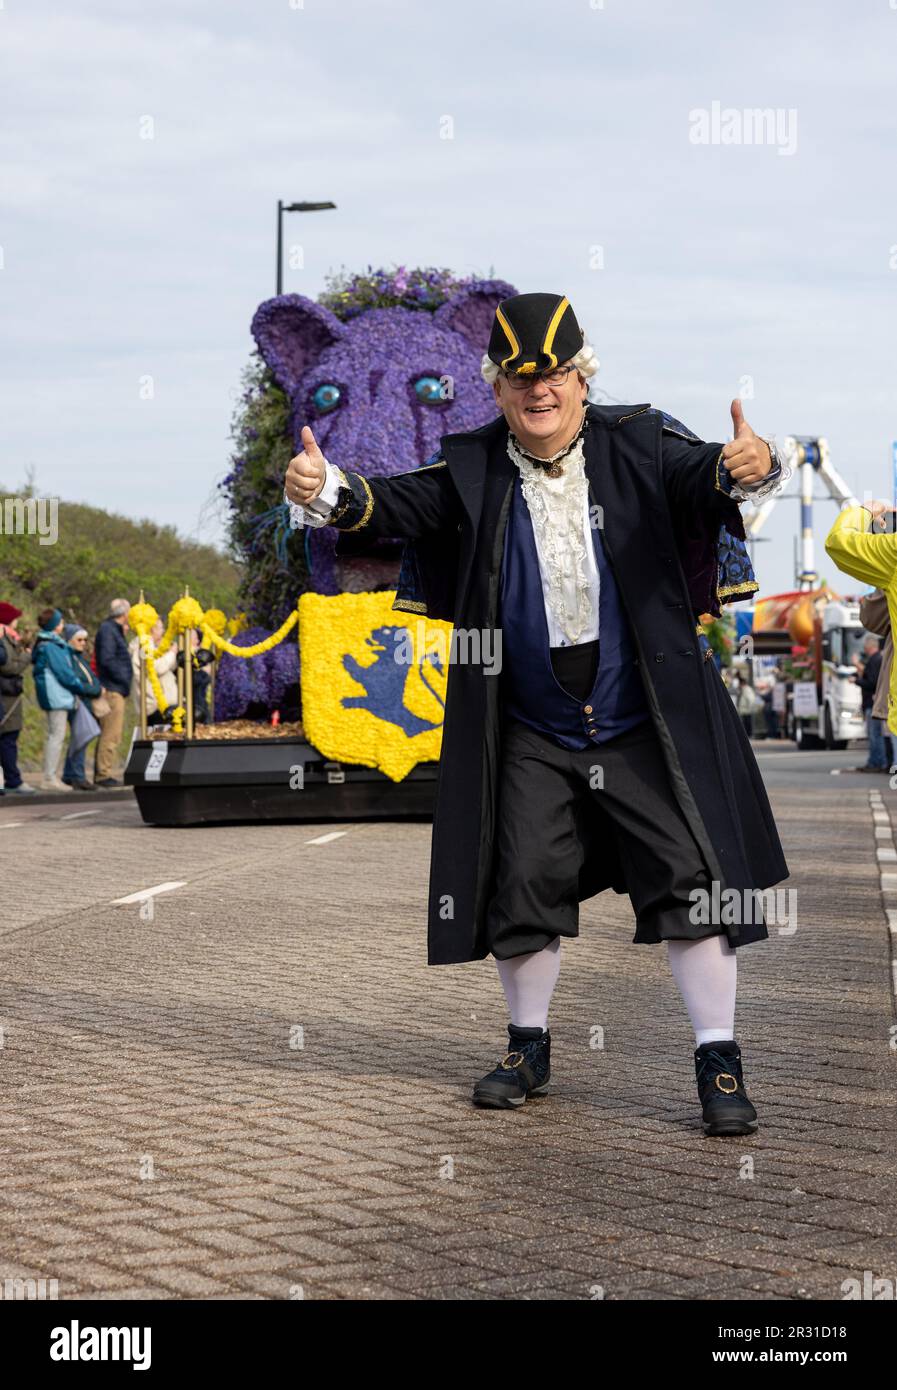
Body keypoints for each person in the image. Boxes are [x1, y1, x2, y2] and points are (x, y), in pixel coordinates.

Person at [284, 290, 791, 1138]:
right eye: (519, 378)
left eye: (552, 373)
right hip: (528, 720)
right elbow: (395, 505)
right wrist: (327, 489)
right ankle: (527, 1047)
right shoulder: (476, 464)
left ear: (580, 378)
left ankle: (717, 1057)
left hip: (641, 711)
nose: (537, 390)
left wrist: (753, 463)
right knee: (517, 882)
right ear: (498, 387)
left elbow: (709, 475)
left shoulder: (638, 442)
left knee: (692, 882)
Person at [31, 608, 98, 790]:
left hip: (57, 695)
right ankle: (49, 778)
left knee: (55, 735)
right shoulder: (51, 646)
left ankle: (50, 775)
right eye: (60, 622)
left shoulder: (50, 644)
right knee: (56, 736)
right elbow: (64, 673)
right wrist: (78, 685)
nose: (62, 625)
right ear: (54, 625)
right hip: (57, 696)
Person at [94, 597, 132, 786]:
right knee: (111, 733)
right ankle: (103, 773)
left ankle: (103, 771)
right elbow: (107, 659)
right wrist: (123, 678)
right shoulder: (109, 631)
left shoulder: (112, 631)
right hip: (113, 688)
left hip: (115, 686)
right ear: (124, 614)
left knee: (111, 733)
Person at [0, 601, 36, 795]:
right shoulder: (3, 639)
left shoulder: (8, 638)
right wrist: (26, 657)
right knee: (7, 740)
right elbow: (8, 667)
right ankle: (13, 780)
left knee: (8, 740)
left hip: (9, 697)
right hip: (6, 697)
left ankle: (8, 780)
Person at [61, 624, 102, 790]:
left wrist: (94, 688)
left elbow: (93, 679)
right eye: (79, 639)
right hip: (78, 702)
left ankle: (69, 774)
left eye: (85, 640)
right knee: (81, 737)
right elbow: (80, 683)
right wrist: (94, 690)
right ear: (70, 640)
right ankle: (78, 775)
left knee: (79, 738)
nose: (83, 643)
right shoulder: (70, 659)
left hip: (84, 702)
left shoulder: (80, 658)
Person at [129, 618, 177, 726]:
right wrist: (172, 653)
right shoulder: (144, 646)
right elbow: (155, 668)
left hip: (161, 705)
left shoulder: (150, 645)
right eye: (161, 628)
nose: (163, 631)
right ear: (152, 630)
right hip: (155, 706)